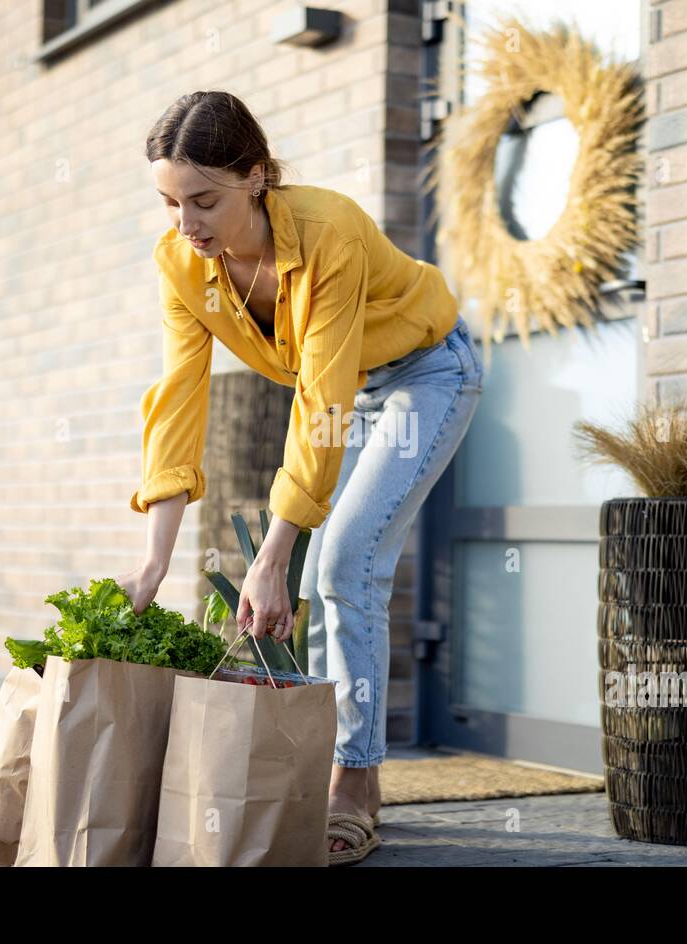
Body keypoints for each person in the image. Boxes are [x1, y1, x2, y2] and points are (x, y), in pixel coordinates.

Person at [117, 90, 483, 865]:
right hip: (349, 391)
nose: (187, 225)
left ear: (256, 175)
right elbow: (180, 398)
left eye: (204, 200)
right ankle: (321, 768)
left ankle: (356, 780)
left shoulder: (327, 230)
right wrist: (154, 558)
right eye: (170, 203)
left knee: (345, 559)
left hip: (425, 373)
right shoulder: (182, 263)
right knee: (317, 570)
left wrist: (272, 555)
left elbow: (322, 397)